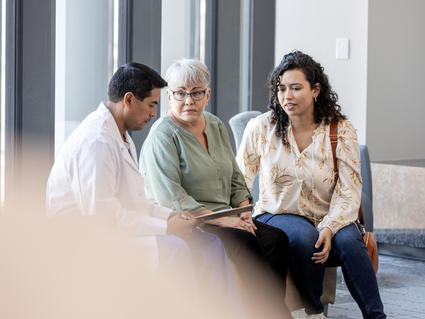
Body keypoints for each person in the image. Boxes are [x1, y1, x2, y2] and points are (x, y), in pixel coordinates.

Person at [46, 62, 242, 317]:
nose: (153, 113)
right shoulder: (96, 142)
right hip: (90, 240)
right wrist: (165, 227)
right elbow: (102, 218)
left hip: (123, 228)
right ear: (129, 99)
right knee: (177, 250)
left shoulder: (121, 136)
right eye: (152, 104)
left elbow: (136, 200)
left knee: (208, 242)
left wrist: (170, 217)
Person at [236, 51, 386, 319]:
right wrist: (239, 212)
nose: (287, 96)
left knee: (351, 243)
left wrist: (330, 225)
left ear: (316, 89)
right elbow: (239, 178)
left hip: (332, 214)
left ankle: (376, 316)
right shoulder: (260, 127)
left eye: (296, 88)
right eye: (281, 88)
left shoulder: (341, 129)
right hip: (278, 212)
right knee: (307, 237)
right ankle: (315, 312)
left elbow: (349, 189)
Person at [140, 59, 292, 319]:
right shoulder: (162, 135)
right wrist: (226, 221)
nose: (189, 100)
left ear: (207, 95)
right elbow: (171, 197)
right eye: (180, 93)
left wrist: (244, 210)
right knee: (246, 241)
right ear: (168, 96)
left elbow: (234, 175)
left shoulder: (215, 125)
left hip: (230, 215)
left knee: (276, 239)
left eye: (197, 92)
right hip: (194, 222)